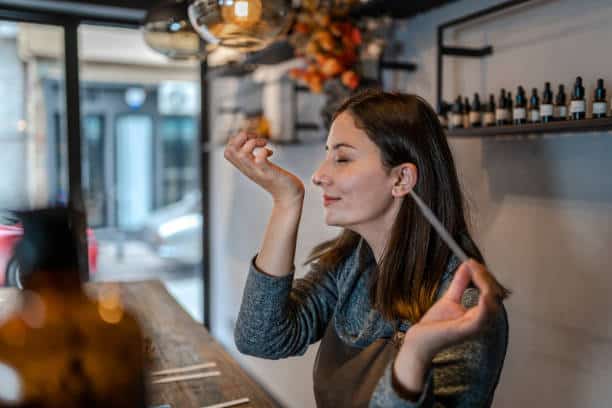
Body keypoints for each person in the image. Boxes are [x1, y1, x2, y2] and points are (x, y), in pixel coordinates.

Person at [225, 90, 509, 407]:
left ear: (401, 178)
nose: (319, 175)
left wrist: (414, 354)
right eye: (327, 154)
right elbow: (260, 337)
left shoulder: (463, 307)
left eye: (342, 158)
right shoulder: (350, 265)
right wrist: (286, 201)